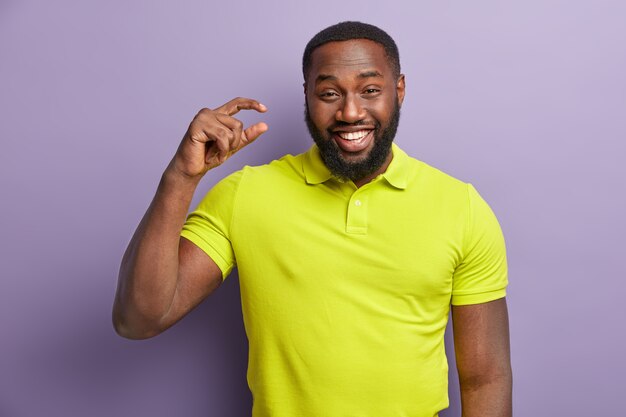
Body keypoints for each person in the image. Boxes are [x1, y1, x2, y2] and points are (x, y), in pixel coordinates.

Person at [113, 21, 512, 417]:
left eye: (370, 90)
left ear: (399, 90)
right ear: (307, 96)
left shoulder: (461, 207)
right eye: (329, 93)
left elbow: (486, 377)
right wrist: (181, 177)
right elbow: (139, 318)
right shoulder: (245, 195)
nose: (351, 111)